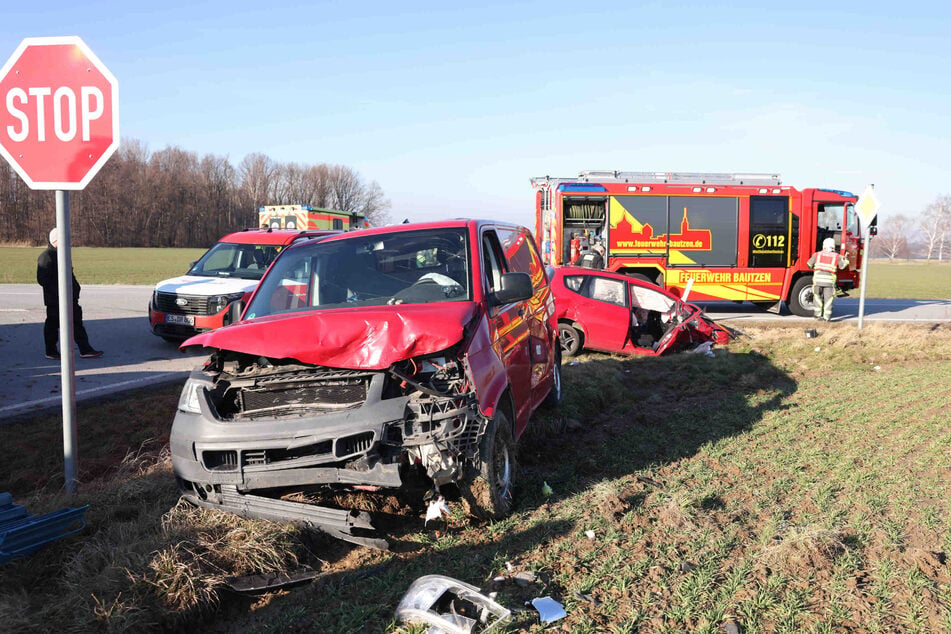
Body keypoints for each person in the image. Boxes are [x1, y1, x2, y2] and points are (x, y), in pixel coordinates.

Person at [37, 227, 103, 359]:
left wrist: (75, 289)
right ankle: (51, 351)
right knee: (52, 325)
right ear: (56, 241)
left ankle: (85, 349)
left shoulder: (64, 255)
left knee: (76, 323)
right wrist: (58, 291)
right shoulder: (46, 257)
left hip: (70, 298)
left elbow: (69, 275)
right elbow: (42, 280)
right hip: (55, 300)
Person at [806, 237, 849, 321]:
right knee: (828, 300)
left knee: (817, 297)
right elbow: (842, 266)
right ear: (833, 246)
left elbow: (809, 264)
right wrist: (846, 260)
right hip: (829, 283)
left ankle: (817, 316)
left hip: (817, 281)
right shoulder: (837, 256)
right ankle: (827, 318)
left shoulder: (817, 254)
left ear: (823, 245)